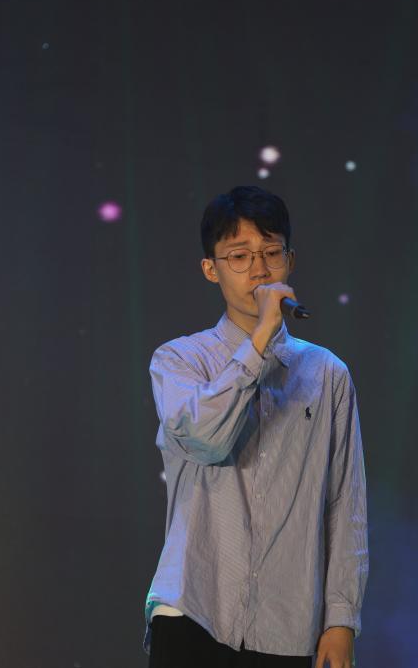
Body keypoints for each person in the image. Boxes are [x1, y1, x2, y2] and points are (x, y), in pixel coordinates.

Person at [143, 185, 369, 668]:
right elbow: (206, 440)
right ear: (211, 269)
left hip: (288, 624)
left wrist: (341, 619)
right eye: (240, 256)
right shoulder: (179, 360)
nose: (260, 270)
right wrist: (261, 339)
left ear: (291, 260)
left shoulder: (328, 374)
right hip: (194, 611)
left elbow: (344, 504)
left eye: (271, 253)